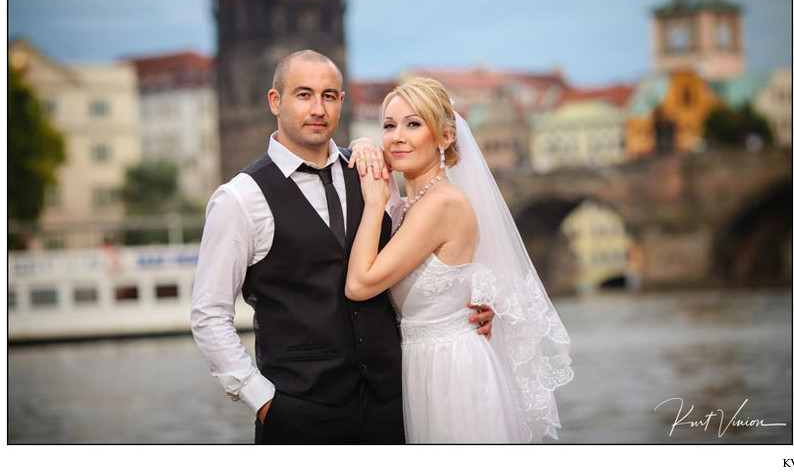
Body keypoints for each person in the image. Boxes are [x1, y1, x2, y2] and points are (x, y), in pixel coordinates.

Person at [190, 50, 494, 444]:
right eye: (304, 95)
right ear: (275, 101)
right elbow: (209, 313)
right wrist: (263, 401)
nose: (318, 108)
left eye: (329, 95)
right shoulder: (240, 199)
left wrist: (472, 306)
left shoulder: (375, 174)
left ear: (341, 103)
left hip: (395, 410)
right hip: (299, 416)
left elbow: (432, 259)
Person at [345, 77, 574, 443]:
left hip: (452, 372)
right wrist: (361, 145)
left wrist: (374, 203)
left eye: (414, 124)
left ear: (445, 136)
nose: (397, 136)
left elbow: (359, 285)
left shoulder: (442, 204)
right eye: (388, 126)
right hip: (424, 368)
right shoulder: (409, 207)